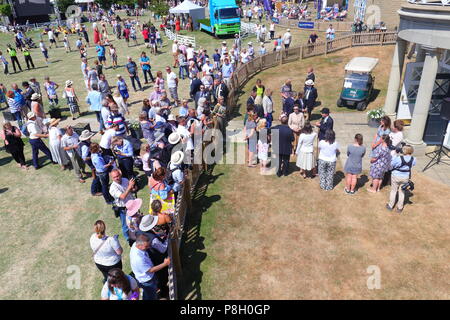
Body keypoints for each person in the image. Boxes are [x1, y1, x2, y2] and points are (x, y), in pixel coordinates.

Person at [129, 234, 170, 300]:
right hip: (147, 280)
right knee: (150, 295)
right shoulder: (138, 258)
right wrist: (165, 264)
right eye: (146, 246)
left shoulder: (135, 245)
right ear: (139, 245)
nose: (149, 247)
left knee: (151, 291)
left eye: (149, 244)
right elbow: (150, 270)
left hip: (147, 277)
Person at [109, 168, 136, 245]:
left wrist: (133, 187)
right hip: (123, 208)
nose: (117, 178)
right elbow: (123, 196)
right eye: (114, 177)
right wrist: (130, 186)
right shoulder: (113, 188)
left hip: (132, 204)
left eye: (118, 176)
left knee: (135, 220)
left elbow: (130, 190)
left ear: (120, 175)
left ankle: (136, 233)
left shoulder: (124, 179)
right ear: (112, 178)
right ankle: (129, 239)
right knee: (125, 225)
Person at [387, 145, 416, 213]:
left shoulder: (399, 158)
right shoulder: (414, 159)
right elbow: (413, 164)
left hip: (396, 176)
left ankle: (390, 205)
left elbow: (392, 164)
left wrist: (395, 154)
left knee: (393, 191)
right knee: (402, 192)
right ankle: (400, 208)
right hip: (405, 176)